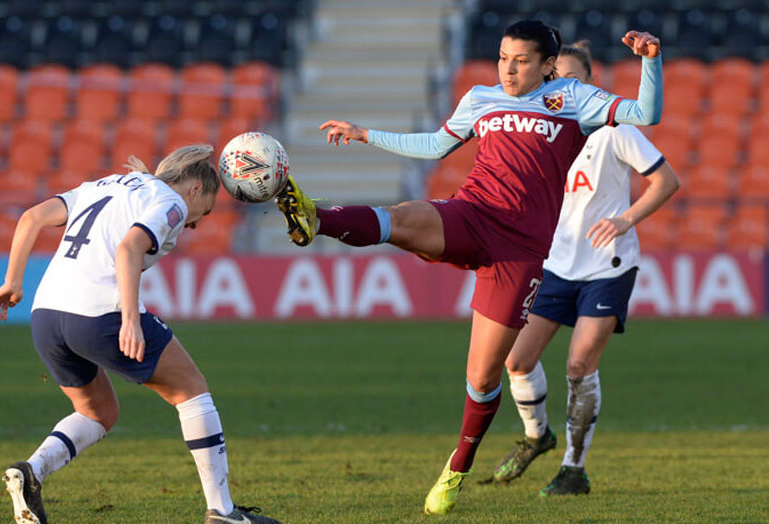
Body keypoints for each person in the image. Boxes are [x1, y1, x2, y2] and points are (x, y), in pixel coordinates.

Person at [275, 20, 664, 515]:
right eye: (503, 58)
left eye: (521, 61)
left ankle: (457, 466)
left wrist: (650, 62)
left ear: (548, 65)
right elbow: (435, 145)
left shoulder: (574, 99)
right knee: (404, 218)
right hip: (472, 214)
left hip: (518, 252)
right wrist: (365, 134)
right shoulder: (482, 98)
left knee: (482, 377)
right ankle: (316, 218)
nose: (508, 69)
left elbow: (646, 113)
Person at [0, 146, 283, 524]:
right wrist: (129, 319)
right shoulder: (171, 202)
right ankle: (223, 512)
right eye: (204, 212)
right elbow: (129, 248)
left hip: (46, 315)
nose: (195, 224)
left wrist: (13, 281)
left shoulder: (102, 185)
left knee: (98, 412)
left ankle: (31, 472)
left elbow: (32, 217)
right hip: (100, 313)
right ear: (195, 188)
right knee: (192, 390)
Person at [486, 40, 679, 496]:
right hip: (555, 263)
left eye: (574, 80)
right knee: (516, 361)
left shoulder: (614, 129)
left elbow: (666, 180)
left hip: (608, 266)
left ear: (591, 84)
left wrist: (625, 220)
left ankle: (573, 470)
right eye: (557, 79)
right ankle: (538, 436)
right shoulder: (544, 130)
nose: (564, 89)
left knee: (579, 365)